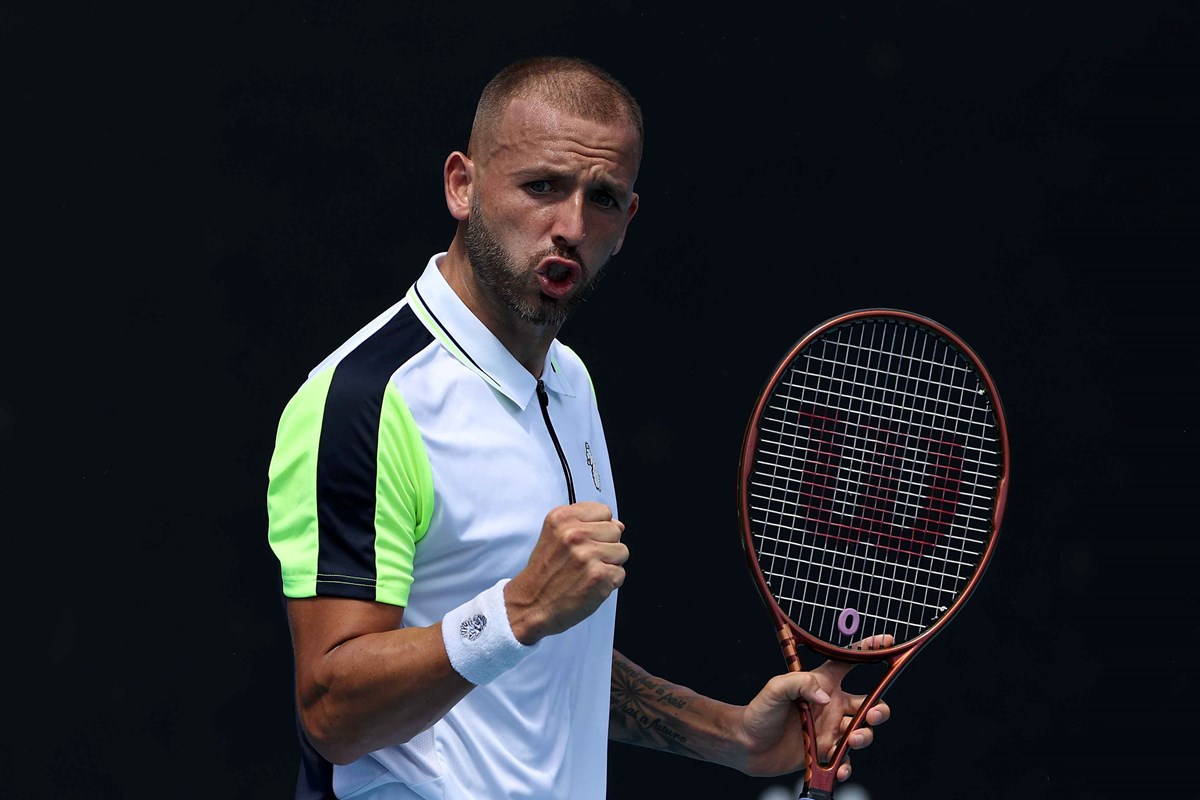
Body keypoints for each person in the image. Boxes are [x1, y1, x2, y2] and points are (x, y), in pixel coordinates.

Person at [266, 54, 891, 800]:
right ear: (461, 185)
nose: (569, 226)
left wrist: (734, 738)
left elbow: (545, 661)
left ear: (627, 222)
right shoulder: (366, 400)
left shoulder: (569, 382)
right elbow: (333, 712)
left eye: (602, 198)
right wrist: (519, 607)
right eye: (541, 187)